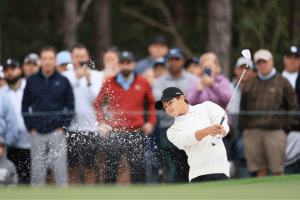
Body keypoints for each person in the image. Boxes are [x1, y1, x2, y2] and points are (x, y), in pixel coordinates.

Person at [94, 50, 156, 184]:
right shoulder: (109, 82)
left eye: (128, 63)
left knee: (138, 171)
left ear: (133, 64)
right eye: (123, 63)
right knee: (110, 171)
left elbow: (152, 103)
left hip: (136, 132)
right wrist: (102, 123)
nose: (126, 66)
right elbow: (97, 104)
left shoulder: (143, 82)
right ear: (119, 64)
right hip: (115, 133)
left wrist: (151, 122)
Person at [240, 49, 299, 177]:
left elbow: (293, 107)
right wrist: (245, 130)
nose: (262, 65)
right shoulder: (250, 84)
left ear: (271, 62)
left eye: (265, 62)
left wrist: (285, 129)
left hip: (275, 131)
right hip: (253, 132)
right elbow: (243, 110)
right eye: (259, 63)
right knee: (260, 171)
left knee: (277, 170)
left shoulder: (283, 82)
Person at [22, 46, 75, 186]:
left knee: (60, 172)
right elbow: (24, 106)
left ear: (55, 61)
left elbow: (71, 106)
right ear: (40, 60)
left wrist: (63, 127)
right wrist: (30, 127)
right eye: (44, 58)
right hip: (37, 133)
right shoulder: (32, 80)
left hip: (57, 132)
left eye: (50, 58)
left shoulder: (63, 81)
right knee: (37, 172)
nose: (47, 61)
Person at [154, 87, 230, 182]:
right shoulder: (172, 131)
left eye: (170, 103)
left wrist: (221, 131)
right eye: (165, 107)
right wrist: (207, 131)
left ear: (182, 98)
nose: (168, 108)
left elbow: (222, 123)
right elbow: (187, 140)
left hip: (218, 169)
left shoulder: (207, 107)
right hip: (196, 174)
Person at [152, 47, 199, 183]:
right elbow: (160, 103)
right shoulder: (160, 81)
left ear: (183, 61)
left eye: (177, 59)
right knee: (174, 168)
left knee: (189, 167)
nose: (174, 62)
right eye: (171, 59)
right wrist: (182, 99)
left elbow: (194, 102)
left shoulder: (193, 79)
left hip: (190, 127)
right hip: (167, 128)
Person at [63, 43, 104, 185]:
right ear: (71, 58)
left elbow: (97, 100)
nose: (80, 59)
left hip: (91, 128)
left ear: (88, 58)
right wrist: (76, 78)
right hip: (70, 129)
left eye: (82, 56)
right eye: (76, 56)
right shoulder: (65, 76)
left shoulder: (97, 76)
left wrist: (88, 81)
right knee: (71, 167)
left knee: (90, 167)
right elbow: (63, 98)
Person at [1, 58, 31, 184]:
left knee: (28, 181)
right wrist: (6, 143)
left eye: (12, 69)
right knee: (10, 181)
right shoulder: (2, 93)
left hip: (30, 144)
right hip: (8, 146)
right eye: (6, 70)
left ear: (20, 70)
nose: (9, 73)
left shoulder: (30, 88)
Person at [227, 56, 257, 179]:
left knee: (243, 153)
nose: (245, 70)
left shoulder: (257, 89)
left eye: (248, 68)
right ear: (235, 70)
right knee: (226, 164)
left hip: (248, 131)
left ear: (252, 71)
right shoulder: (227, 87)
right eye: (242, 67)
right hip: (228, 130)